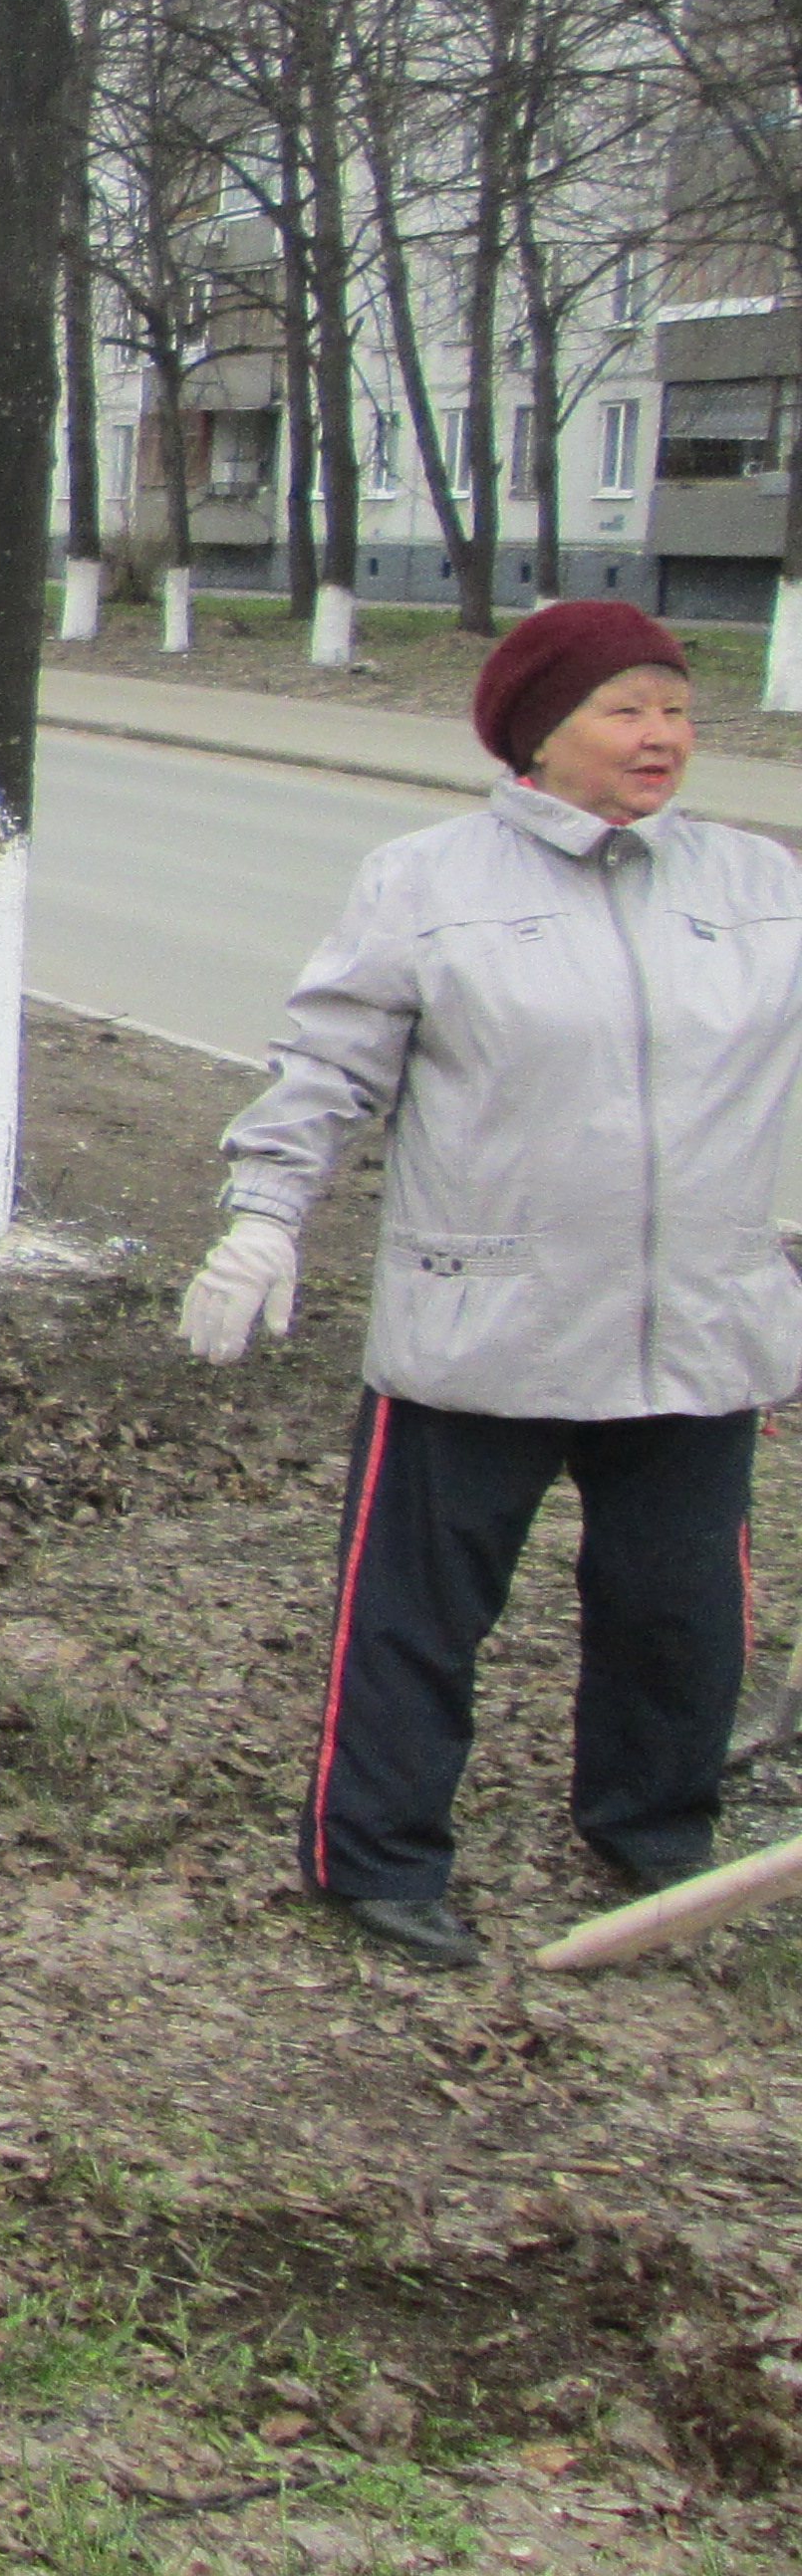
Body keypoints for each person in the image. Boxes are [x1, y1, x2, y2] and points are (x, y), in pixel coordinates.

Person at [180, 597, 802, 1971]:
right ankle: (382, 1857)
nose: (663, 737)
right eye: (627, 709)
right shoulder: (429, 882)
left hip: (696, 1326)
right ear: (541, 732)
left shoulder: (759, 886)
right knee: (420, 1611)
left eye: (678, 709)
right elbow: (330, 1068)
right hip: (489, 1322)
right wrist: (266, 1219)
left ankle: (653, 1839)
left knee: (680, 1613)